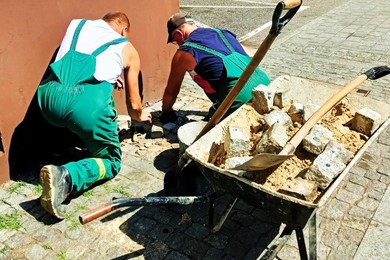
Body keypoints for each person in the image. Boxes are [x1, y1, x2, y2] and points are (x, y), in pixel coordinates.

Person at [36, 12, 152, 218]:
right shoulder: (127, 47)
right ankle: (66, 176)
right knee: (112, 161)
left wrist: (112, 73)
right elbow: (134, 105)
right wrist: (141, 116)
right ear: (125, 30)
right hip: (84, 109)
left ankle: (69, 147)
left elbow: (81, 61)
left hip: (47, 100)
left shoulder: (77, 24)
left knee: (75, 114)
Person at [161, 13, 271, 122]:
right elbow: (246, 56)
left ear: (178, 33)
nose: (177, 44)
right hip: (265, 84)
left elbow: (171, 91)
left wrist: (166, 112)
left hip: (238, 97)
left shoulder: (185, 51)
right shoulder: (224, 33)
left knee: (211, 131)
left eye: (174, 41)